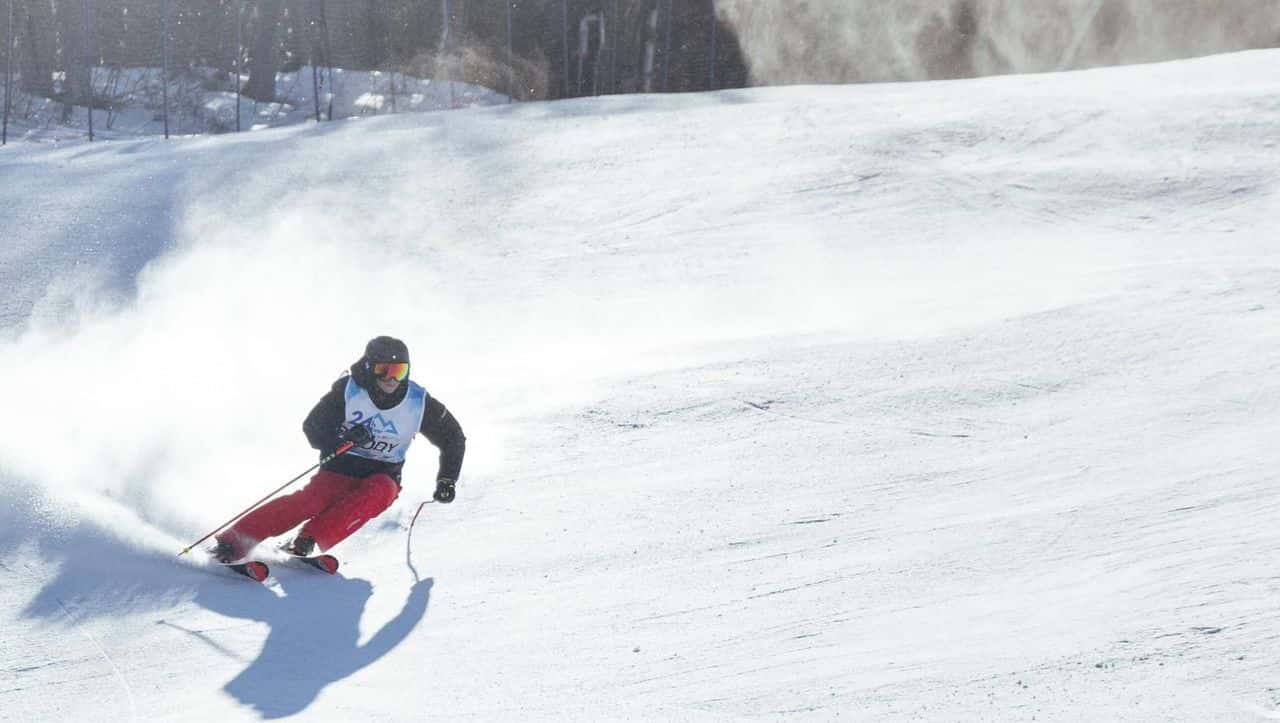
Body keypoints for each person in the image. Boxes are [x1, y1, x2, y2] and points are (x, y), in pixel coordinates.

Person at [212, 336, 466, 562]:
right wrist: (342, 439)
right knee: (309, 502)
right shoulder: (348, 390)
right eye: (383, 370)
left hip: (383, 473)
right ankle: (233, 542)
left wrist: (447, 479)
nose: (391, 379)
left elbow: (453, 437)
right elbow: (313, 426)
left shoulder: (418, 402)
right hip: (339, 468)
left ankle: (307, 541)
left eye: (399, 371)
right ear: (369, 367)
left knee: (381, 491)